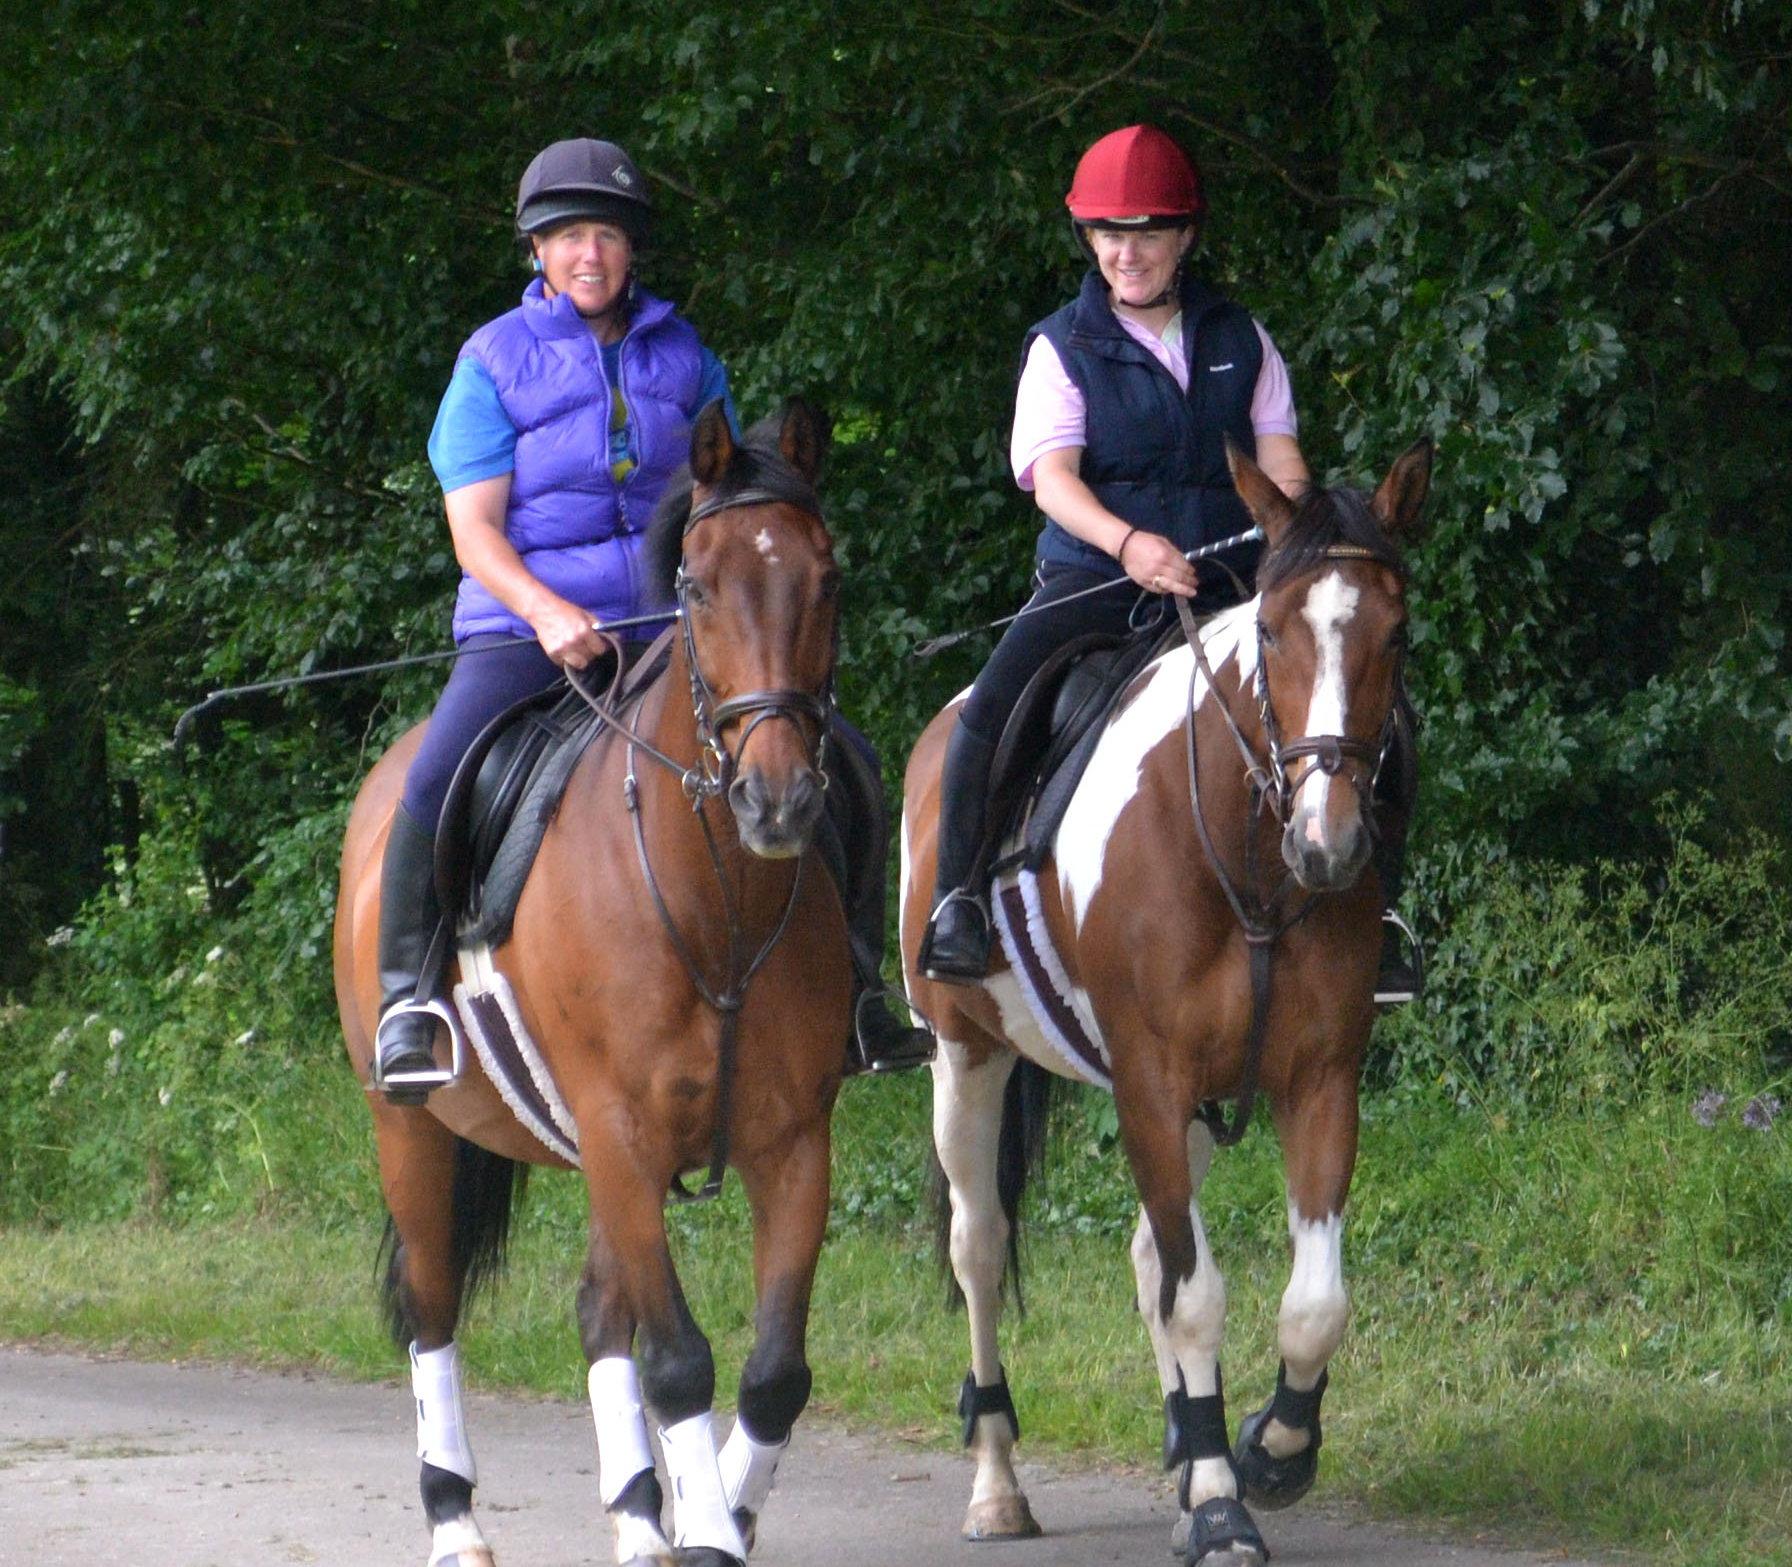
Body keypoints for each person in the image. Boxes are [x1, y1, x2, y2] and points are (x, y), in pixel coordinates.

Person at [373, 136, 932, 1095]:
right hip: (527, 626)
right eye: (568, 237)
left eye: (607, 235)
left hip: (670, 626)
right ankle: (408, 1001)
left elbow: (732, 500)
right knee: (437, 773)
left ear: (632, 247)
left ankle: (859, 993)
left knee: (850, 761)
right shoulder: (491, 362)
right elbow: (474, 532)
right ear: (538, 250)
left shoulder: (686, 356)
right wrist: (548, 614)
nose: (589, 254)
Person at [917, 123, 1418, 1002]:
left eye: (1147, 233)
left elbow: (1281, 463)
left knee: (1383, 709)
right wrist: (1128, 544)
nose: (1127, 253)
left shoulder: (1242, 339)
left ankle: (1379, 915)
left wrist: (1295, 536)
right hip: (1098, 577)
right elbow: (1053, 481)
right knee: (992, 705)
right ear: (1089, 240)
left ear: (1184, 237)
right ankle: (956, 900)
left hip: (1232, 580)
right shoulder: (1061, 347)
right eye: (1109, 234)